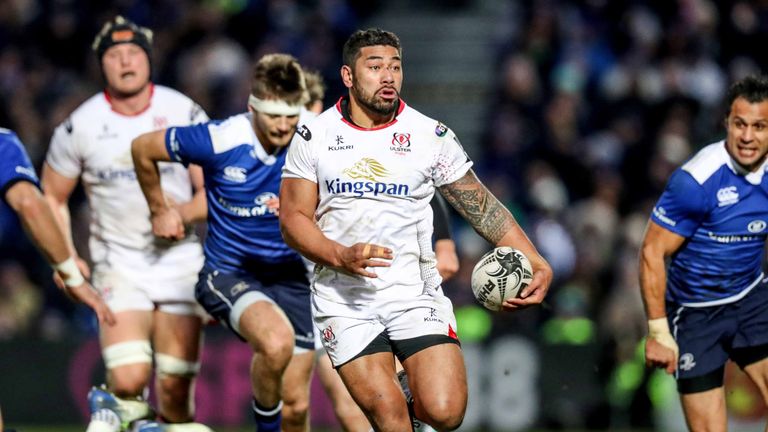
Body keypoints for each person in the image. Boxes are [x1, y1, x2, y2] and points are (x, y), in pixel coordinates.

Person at [280, 28, 552, 431]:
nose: (388, 76)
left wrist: (533, 257)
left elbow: (481, 207)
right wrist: (339, 255)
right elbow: (292, 219)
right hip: (344, 299)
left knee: (445, 411)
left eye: (395, 66)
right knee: (388, 416)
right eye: (375, 67)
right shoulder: (314, 135)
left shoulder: (431, 136)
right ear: (349, 76)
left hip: (413, 294)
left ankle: (412, 391)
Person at [40, 16, 211, 432]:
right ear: (103, 65)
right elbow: (52, 198)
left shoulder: (183, 111)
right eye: (115, 55)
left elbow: (215, 190)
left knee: (175, 397)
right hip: (118, 263)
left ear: (149, 60)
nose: (126, 62)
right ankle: (115, 408)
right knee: (130, 377)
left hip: (180, 263)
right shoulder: (80, 124)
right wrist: (64, 258)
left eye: (134, 53)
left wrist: (181, 214)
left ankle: (130, 422)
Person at [131, 53, 315, 432]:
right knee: (276, 342)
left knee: (296, 405)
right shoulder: (221, 138)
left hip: (293, 278)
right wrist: (159, 210)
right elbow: (143, 148)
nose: (283, 126)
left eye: (290, 115)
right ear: (252, 108)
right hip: (229, 272)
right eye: (273, 115)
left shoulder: (319, 135)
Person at [640, 74, 768, 431]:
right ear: (727, 122)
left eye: (759, 126)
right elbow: (652, 251)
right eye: (740, 124)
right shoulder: (697, 180)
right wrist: (658, 332)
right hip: (696, 314)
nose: (747, 136)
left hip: (752, 297)